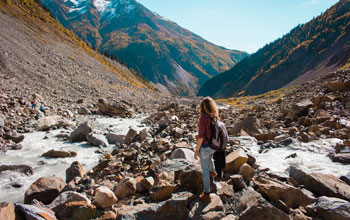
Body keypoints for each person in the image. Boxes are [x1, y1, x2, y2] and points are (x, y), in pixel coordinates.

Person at [194, 97, 219, 202]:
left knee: (204, 171)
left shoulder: (203, 119)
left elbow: (200, 137)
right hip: (213, 146)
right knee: (209, 158)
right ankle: (212, 171)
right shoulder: (214, 117)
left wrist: (196, 151)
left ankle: (207, 193)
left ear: (202, 107)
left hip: (205, 147)